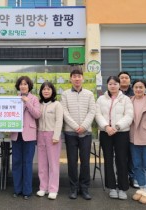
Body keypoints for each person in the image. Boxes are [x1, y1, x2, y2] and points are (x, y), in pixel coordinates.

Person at [95, 76, 133, 200]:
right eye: (110, 83)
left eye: (115, 84)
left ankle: (122, 188)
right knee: (108, 159)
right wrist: (106, 127)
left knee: (122, 160)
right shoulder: (101, 99)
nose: (113, 86)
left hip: (121, 132)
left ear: (119, 85)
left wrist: (116, 127)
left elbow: (129, 115)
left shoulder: (126, 99)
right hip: (106, 133)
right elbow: (97, 114)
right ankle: (111, 187)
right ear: (107, 85)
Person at [61, 68, 96, 200]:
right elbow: (64, 112)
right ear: (70, 79)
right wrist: (76, 127)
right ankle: (73, 188)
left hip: (86, 133)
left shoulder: (89, 94)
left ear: (83, 78)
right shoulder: (65, 94)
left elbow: (92, 111)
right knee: (72, 162)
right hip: (71, 133)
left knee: (85, 162)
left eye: (79, 76)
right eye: (74, 76)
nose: (77, 78)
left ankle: (85, 188)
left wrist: (84, 126)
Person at [11, 76, 41, 200]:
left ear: (29, 86)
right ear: (18, 86)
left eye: (25, 84)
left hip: (29, 135)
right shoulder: (14, 99)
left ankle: (27, 191)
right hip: (16, 134)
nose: (23, 86)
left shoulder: (34, 99)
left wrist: (26, 101)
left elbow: (37, 114)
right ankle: (17, 190)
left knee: (27, 163)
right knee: (16, 163)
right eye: (21, 84)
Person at [36, 82, 63, 200]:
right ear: (41, 91)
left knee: (53, 163)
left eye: (48, 89)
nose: (46, 91)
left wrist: (56, 135)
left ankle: (53, 189)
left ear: (52, 91)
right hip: (40, 134)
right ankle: (43, 187)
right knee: (41, 163)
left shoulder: (57, 104)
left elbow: (59, 121)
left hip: (53, 135)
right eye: (44, 89)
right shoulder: (38, 104)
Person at [118, 71, 138, 189]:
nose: (124, 79)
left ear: (130, 80)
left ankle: (133, 177)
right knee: (120, 155)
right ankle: (121, 177)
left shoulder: (135, 91)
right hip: (119, 129)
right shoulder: (115, 92)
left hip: (133, 128)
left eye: (126, 78)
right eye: (122, 78)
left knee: (132, 154)